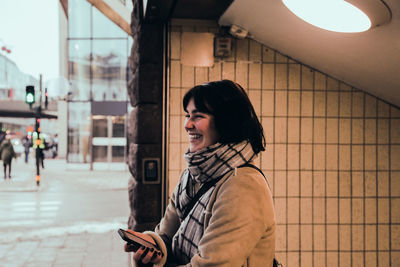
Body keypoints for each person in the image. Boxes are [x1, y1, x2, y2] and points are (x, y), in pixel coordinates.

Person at [124, 80, 276, 266]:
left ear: (225, 121)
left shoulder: (243, 186)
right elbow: (167, 233)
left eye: (197, 116)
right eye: (187, 115)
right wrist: (152, 246)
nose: (187, 125)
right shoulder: (193, 173)